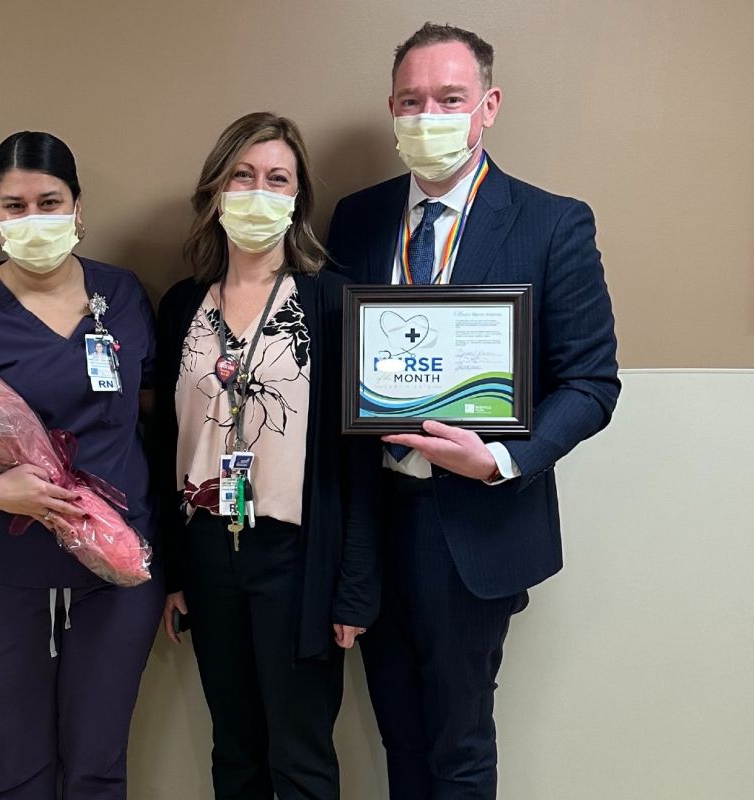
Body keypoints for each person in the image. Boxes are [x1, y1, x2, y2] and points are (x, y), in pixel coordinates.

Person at [326, 23, 621, 799]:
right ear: (391, 110)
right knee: (398, 735)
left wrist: (500, 459)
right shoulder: (356, 219)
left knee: (460, 744)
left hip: (473, 524)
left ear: (487, 106)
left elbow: (592, 383)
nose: (429, 115)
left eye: (449, 98)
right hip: (373, 520)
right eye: (412, 100)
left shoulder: (552, 223)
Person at [0, 131, 163, 800]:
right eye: (15, 205)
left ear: (79, 209)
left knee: (97, 766)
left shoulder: (124, 297)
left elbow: (149, 416)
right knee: (19, 767)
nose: (34, 220)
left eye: (49, 202)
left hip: (115, 566)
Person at [155, 112, 380, 800]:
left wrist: (355, 585)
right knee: (236, 752)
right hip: (207, 551)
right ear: (216, 191)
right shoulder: (181, 306)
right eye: (243, 176)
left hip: (298, 557)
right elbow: (164, 440)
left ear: (298, 197)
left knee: (301, 755)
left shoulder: (333, 302)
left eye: (277, 178)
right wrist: (171, 570)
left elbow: (360, 463)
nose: (258, 192)